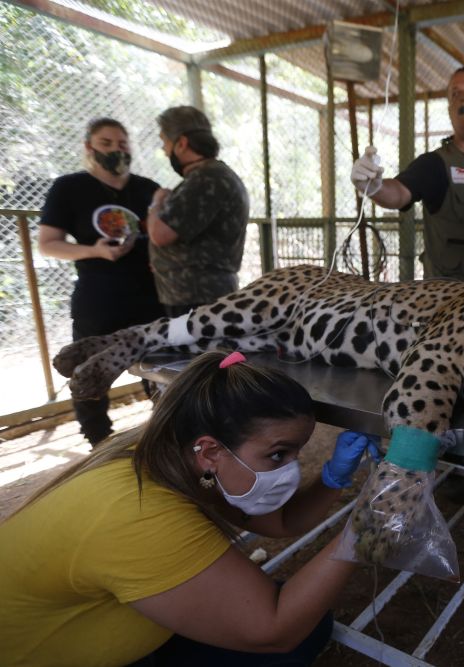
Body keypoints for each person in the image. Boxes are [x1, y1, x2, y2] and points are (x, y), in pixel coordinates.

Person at [0, 351, 380, 666]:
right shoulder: (140, 513)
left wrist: (334, 477)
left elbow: (281, 522)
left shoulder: (177, 455)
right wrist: (368, 525)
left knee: (307, 622)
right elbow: (275, 632)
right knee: (288, 638)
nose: (292, 470)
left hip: (102, 632)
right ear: (210, 450)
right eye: (279, 454)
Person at [38, 117, 165, 446]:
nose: (115, 150)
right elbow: (48, 243)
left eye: (122, 144)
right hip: (99, 296)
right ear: (89, 147)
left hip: (149, 296)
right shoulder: (69, 187)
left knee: (159, 369)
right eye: (106, 143)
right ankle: (98, 442)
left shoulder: (148, 188)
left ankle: (167, 435)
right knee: (89, 371)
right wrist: (94, 251)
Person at [350, 68, 464, 281]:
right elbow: (399, 193)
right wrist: (374, 187)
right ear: (450, 109)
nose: (462, 97)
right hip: (450, 297)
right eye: (455, 93)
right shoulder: (435, 164)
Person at [147, 106, 250, 317]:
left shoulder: (205, 178)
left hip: (195, 298)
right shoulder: (210, 175)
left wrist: (157, 203)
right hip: (197, 296)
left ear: (182, 143)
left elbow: (160, 234)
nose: (164, 150)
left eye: (165, 142)